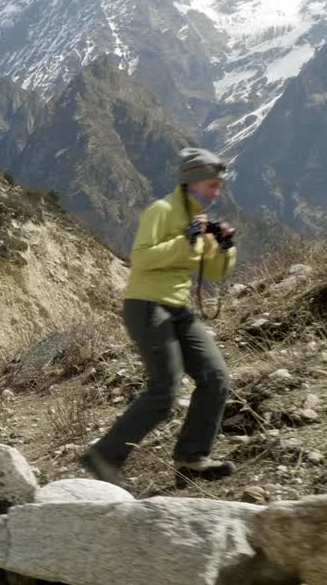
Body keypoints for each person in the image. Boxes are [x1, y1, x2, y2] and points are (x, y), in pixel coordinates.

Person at [81, 147, 237, 487]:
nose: (217, 192)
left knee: (216, 378)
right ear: (193, 182)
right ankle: (103, 457)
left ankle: (192, 458)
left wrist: (224, 245)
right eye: (212, 185)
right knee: (165, 391)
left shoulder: (199, 222)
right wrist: (186, 240)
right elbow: (142, 258)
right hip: (146, 305)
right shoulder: (161, 211)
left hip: (178, 309)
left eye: (218, 186)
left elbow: (213, 271)